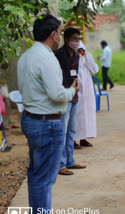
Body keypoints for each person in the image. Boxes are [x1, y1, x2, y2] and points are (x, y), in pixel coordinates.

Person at [17, 14, 80, 213]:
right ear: (53, 34)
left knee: (37, 174)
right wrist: (73, 90)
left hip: (30, 119)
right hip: (47, 124)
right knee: (44, 178)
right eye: (60, 33)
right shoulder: (47, 58)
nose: (61, 37)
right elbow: (57, 94)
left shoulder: (26, 56)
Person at [54, 27, 86, 175]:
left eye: (78, 39)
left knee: (71, 131)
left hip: (74, 97)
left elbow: (75, 74)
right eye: (74, 38)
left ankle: (70, 161)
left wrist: (75, 90)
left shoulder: (77, 56)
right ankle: (60, 164)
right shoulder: (58, 55)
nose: (77, 41)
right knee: (62, 131)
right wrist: (68, 91)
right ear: (66, 40)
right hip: (64, 97)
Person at [74, 41, 99, 147]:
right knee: (77, 115)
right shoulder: (72, 59)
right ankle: (74, 140)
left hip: (88, 92)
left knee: (87, 114)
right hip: (77, 90)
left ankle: (84, 138)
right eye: (78, 50)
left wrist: (86, 56)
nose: (80, 52)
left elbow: (94, 69)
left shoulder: (87, 58)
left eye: (82, 50)